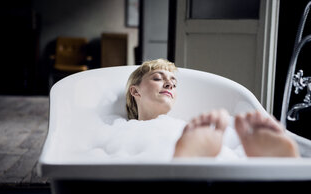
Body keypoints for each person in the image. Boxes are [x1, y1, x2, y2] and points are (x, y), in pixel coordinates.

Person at [125, 59, 299, 158]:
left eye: (174, 82)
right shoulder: (125, 135)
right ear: (135, 91)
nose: (170, 84)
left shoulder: (184, 129)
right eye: (157, 78)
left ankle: (187, 166)